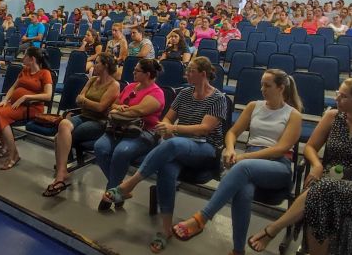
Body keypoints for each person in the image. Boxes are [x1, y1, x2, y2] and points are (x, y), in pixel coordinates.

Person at [248, 78, 352, 255]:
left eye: (343, 96)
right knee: (321, 194)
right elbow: (311, 147)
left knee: (320, 190)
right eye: (337, 93)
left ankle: (273, 229)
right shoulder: (332, 116)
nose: (336, 98)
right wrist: (317, 165)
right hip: (330, 179)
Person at [102, 58, 227, 252]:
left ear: (203, 74)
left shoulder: (218, 98)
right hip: (179, 146)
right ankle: (166, 229)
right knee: (166, 170)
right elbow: (168, 118)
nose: (186, 74)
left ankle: (128, 184)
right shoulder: (185, 93)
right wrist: (165, 128)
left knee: (174, 142)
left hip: (206, 148)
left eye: (191, 70)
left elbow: (204, 129)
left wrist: (173, 129)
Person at [172, 69, 302, 255]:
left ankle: (202, 218)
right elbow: (232, 133)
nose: (262, 88)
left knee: (243, 168)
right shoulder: (253, 106)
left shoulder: (293, 114)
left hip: (277, 165)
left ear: (281, 88)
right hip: (249, 162)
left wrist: (243, 157)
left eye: (267, 85)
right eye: (261, 84)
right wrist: (231, 149)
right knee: (243, 191)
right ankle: (238, 250)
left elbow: (280, 149)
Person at [43, 53, 120, 197]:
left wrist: (85, 101)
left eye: (96, 63)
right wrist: (87, 102)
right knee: (64, 124)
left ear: (105, 66)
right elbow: (78, 99)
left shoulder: (114, 85)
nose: (93, 65)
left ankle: (61, 174)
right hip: (83, 116)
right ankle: (62, 172)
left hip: (99, 122)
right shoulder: (92, 80)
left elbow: (100, 108)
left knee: (58, 137)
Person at [95, 59, 165, 211]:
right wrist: (117, 107)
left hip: (144, 132)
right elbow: (114, 104)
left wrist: (116, 111)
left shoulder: (157, 93)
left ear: (147, 74)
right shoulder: (131, 86)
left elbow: (139, 111)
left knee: (121, 151)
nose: (133, 72)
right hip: (118, 128)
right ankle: (122, 189)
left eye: (137, 70)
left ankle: (111, 193)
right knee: (99, 147)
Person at [0, 47, 53, 170]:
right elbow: (13, 87)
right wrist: (5, 100)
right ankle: (5, 145)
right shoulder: (24, 70)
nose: (22, 58)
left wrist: (26, 97)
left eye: (25, 56)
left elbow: (48, 96)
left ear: (32, 59)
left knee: (0, 116)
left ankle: (14, 154)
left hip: (31, 107)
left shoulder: (45, 73)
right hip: (14, 104)